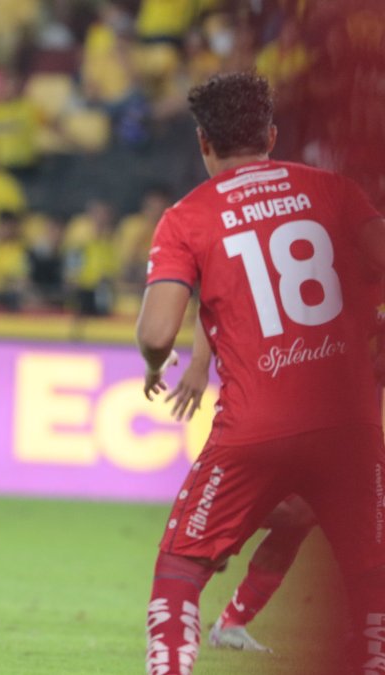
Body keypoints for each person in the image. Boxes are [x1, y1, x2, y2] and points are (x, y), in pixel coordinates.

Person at [137, 72, 385, 675]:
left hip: (255, 428)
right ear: (272, 135)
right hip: (351, 425)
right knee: (368, 572)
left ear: (203, 143)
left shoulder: (187, 217)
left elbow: (156, 332)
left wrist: (157, 360)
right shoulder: (335, 192)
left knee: (182, 564)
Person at [162, 318, 316, 654]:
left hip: (315, 409)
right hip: (263, 405)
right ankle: (216, 538)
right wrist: (200, 365)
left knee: (303, 515)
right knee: (301, 512)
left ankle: (231, 618)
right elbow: (211, 300)